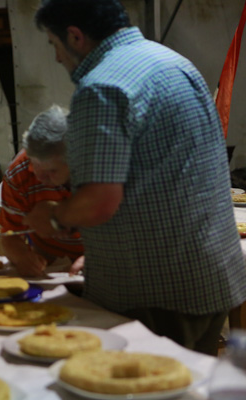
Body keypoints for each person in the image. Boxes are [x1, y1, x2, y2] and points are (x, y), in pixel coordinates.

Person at [26, 0, 246, 355]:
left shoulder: (101, 86)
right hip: (209, 276)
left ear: (75, 36)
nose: (56, 57)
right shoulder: (171, 61)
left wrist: (54, 215)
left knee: (145, 380)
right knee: (190, 380)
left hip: (156, 293)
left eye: (54, 44)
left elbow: (99, 202)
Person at [0, 105, 83, 277]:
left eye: (51, 171)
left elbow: (122, 229)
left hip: (98, 257)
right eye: (34, 164)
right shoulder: (19, 172)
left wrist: (94, 258)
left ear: (74, 160)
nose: (39, 176)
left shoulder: (97, 173)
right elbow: (10, 234)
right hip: (48, 262)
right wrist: (23, 257)